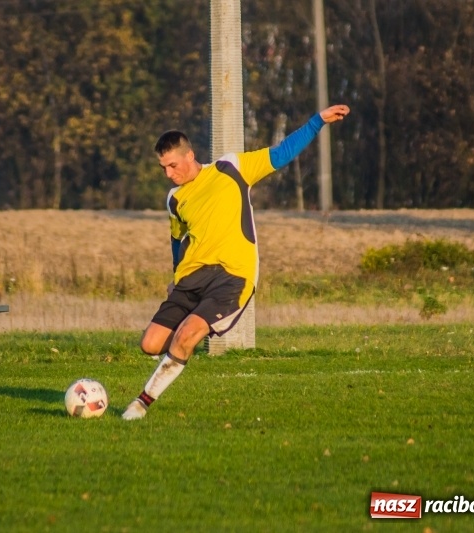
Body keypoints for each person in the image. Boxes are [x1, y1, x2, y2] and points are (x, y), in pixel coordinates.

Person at [122, 105, 350, 420]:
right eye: (163, 168)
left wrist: (317, 121)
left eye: (173, 165)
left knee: (187, 333)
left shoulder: (231, 168)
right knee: (150, 344)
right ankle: (182, 347)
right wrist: (176, 276)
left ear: (190, 156)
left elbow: (282, 153)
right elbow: (177, 240)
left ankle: (141, 404)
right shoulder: (174, 199)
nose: (169, 174)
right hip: (191, 279)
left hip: (231, 276)